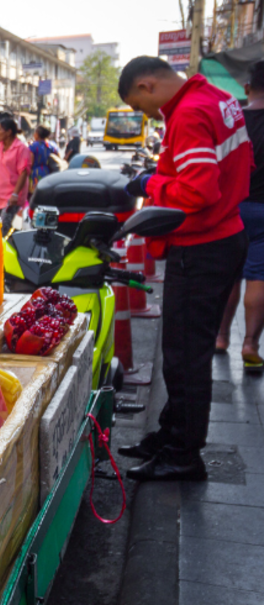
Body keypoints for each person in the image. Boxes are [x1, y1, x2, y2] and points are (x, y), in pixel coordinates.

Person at [116, 56, 250, 482]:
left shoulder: (189, 113)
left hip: (203, 246)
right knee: (182, 351)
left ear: (148, 85)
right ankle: (172, 433)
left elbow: (197, 189)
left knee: (184, 357)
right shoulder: (218, 98)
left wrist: (148, 184)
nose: (147, 114)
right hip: (226, 233)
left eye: (140, 105)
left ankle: (184, 454)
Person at [216, 60, 264, 373]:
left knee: (230, 275)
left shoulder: (234, 120)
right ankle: (250, 343)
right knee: (258, 276)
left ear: (246, 88)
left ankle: (220, 338)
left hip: (232, 208)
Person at [0, 118, 30, 234]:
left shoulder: (21, 148)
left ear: (9, 132)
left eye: (0, 129)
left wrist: (15, 194)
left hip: (12, 196)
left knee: (3, 228)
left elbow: (23, 172)